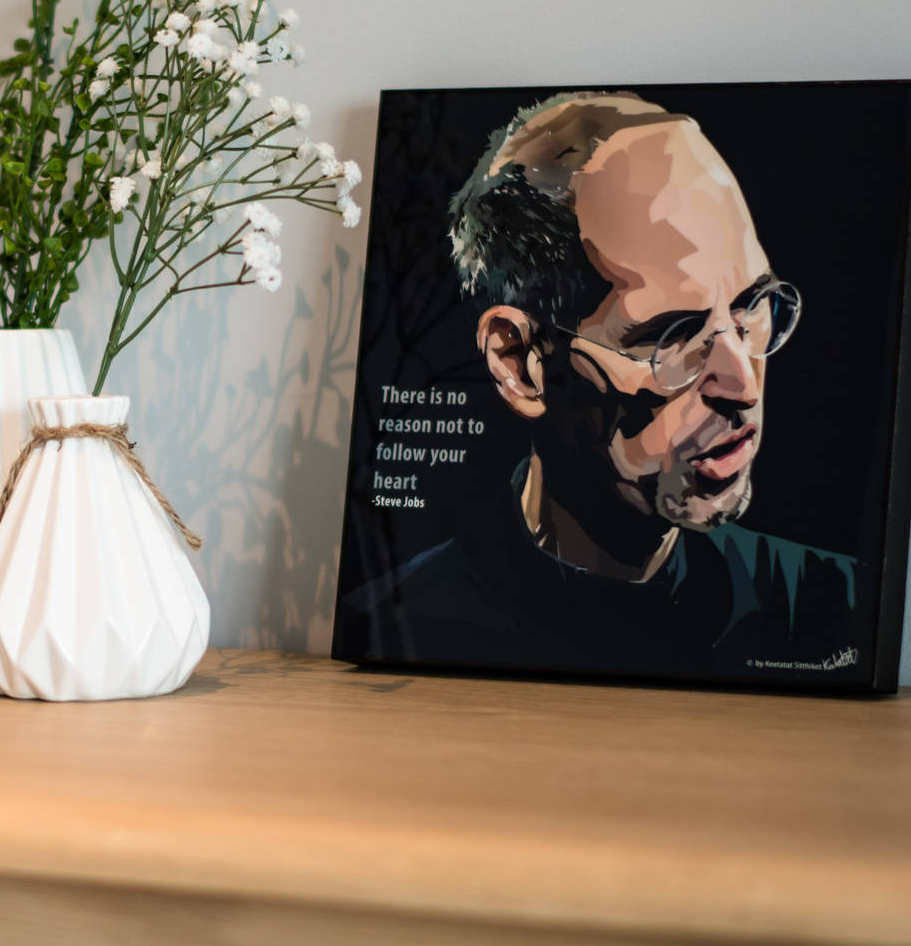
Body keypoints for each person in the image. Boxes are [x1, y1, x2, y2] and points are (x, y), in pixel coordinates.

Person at [345, 92, 861, 678]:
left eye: (751, 309)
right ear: (519, 364)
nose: (742, 383)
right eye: (672, 335)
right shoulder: (401, 627)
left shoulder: (832, 608)